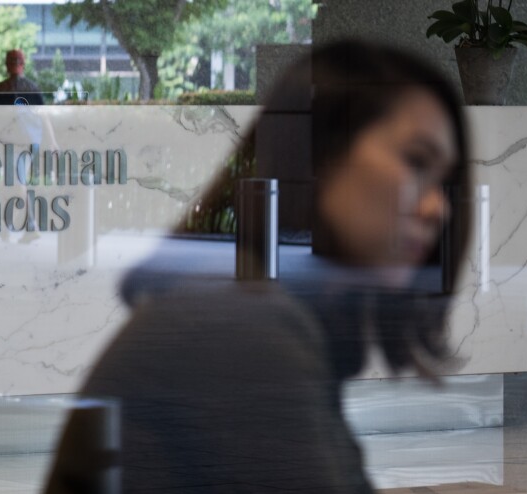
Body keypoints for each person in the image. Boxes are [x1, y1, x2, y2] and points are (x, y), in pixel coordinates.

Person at [44, 39, 471, 493]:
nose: (436, 208)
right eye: (416, 162)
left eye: (444, 182)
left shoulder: (255, 318)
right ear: (322, 153)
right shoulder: (238, 329)